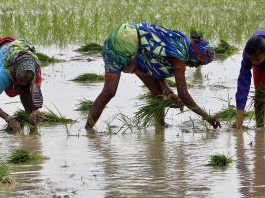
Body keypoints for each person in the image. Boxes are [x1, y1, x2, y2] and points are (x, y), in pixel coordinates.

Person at [85, 22, 220, 129]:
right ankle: (88, 131)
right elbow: (184, 94)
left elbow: (155, 64)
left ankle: (159, 127)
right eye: (198, 62)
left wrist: (168, 91)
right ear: (195, 55)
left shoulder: (181, 41)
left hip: (125, 36)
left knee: (157, 92)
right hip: (127, 43)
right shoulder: (180, 55)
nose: (196, 66)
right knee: (109, 92)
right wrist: (207, 117)